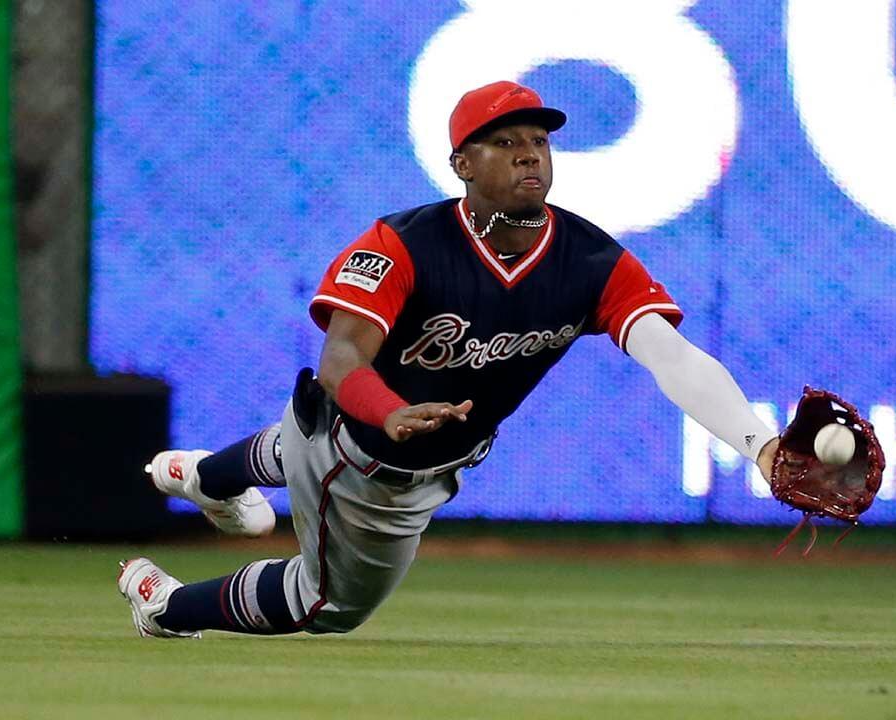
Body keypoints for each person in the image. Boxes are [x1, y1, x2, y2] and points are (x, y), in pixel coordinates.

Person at [118, 81, 781, 638]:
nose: (529, 156)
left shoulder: (590, 259)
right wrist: (392, 410)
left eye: (539, 141)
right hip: (366, 453)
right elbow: (341, 359)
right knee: (328, 606)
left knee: (300, 443)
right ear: (462, 164)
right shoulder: (403, 243)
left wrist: (761, 446)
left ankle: (208, 476)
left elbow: (674, 358)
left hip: (416, 451)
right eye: (505, 142)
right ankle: (166, 606)